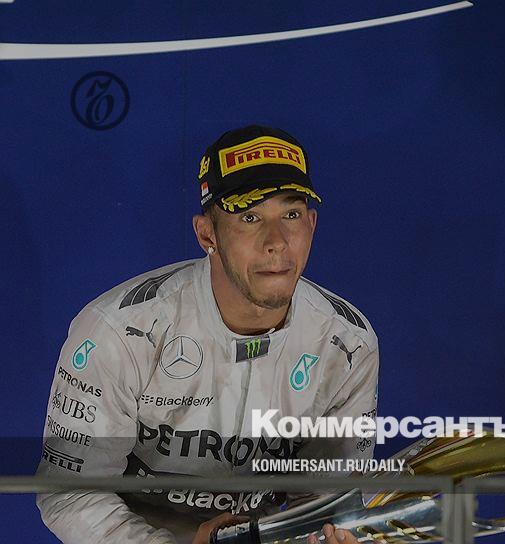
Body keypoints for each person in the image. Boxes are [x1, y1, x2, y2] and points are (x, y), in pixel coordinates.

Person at [36, 125, 378, 544]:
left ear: (312, 224)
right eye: (249, 217)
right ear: (207, 234)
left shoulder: (347, 345)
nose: (276, 242)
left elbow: (329, 502)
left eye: (290, 215)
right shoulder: (120, 331)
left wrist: (332, 531)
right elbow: (69, 494)